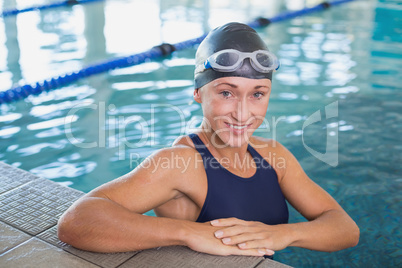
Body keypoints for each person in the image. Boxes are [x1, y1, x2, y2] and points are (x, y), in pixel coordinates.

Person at [58, 22, 359, 257]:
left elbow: (345, 228)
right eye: (226, 93)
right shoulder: (179, 163)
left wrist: (284, 234)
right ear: (198, 94)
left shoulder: (273, 155)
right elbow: (77, 221)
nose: (242, 114)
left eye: (257, 94)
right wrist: (188, 233)